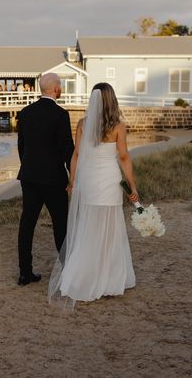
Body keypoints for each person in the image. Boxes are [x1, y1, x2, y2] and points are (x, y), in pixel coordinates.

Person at [48, 82, 137, 308]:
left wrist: (73, 180)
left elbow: (77, 154)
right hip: (108, 181)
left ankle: (83, 275)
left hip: (88, 181)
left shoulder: (82, 124)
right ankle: (107, 279)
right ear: (112, 100)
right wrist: (132, 187)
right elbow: (124, 157)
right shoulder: (118, 126)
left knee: (89, 228)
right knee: (109, 231)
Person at [16, 73, 74, 286]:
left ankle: (25, 272)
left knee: (27, 224)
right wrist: (72, 175)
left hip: (29, 177)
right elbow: (67, 149)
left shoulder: (25, 113)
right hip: (53, 178)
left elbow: (22, 147)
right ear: (56, 89)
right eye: (60, 86)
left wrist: (29, 167)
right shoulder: (60, 115)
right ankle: (67, 272)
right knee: (60, 224)